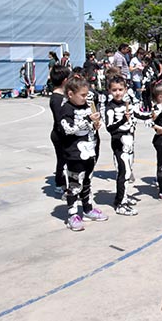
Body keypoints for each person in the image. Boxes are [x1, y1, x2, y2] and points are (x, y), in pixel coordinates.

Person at [57, 74, 109, 231]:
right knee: (74, 184)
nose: (86, 98)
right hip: (74, 153)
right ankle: (72, 214)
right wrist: (88, 121)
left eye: (87, 95)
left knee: (87, 181)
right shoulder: (66, 108)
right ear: (71, 94)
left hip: (89, 150)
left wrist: (95, 124)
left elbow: (91, 126)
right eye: (83, 95)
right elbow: (68, 129)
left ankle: (88, 208)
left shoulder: (87, 106)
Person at [104, 75, 149, 216]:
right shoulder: (110, 108)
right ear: (109, 91)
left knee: (128, 172)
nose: (118, 92)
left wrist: (151, 115)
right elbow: (110, 128)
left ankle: (123, 196)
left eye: (120, 89)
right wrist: (124, 119)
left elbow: (138, 115)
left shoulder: (126, 104)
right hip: (119, 142)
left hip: (129, 141)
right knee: (123, 173)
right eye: (114, 90)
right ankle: (120, 203)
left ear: (125, 90)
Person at [48, 65, 70, 193]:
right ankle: (60, 183)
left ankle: (60, 181)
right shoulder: (56, 99)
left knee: (63, 159)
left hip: (61, 133)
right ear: (65, 81)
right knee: (62, 160)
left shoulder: (62, 96)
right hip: (59, 134)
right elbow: (59, 120)